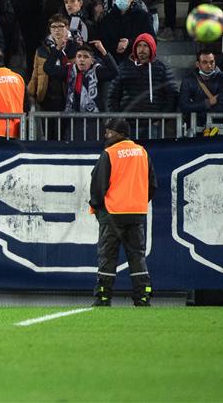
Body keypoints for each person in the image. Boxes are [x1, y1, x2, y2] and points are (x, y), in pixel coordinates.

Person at [89, 118, 156, 307]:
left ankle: (103, 297)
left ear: (120, 134)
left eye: (109, 131)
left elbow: (98, 185)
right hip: (136, 213)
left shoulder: (109, 153)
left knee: (107, 256)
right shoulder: (142, 152)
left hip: (112, 213)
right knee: (137, 256)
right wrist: (139, 201)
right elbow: (152, 184)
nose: (106, 135)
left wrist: (97, 207)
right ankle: (143, 296)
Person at [107, 33, 178, 122]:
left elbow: (172, 95)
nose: (142, 49)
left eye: (145, 46)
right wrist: (118, 118)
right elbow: (113, 96)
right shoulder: (124, 67)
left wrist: (161, 119)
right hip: (128, 125)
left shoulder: (162, 67)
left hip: (153, 124)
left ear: (152, 48)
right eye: (139, 46)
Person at [45, 40, 118, 114]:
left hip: (93, 119)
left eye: (86, 57)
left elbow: (115, 72)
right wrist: (57, 49)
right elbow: (48, 68)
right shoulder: (69, 70)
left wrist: (103, 51)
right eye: (79, 56)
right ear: (75, 60)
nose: (82, 59)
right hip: (72, 118)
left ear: (92, 60)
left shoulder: (97, 71)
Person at [98, 0, 154, 64]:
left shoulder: (143, 16)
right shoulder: (108, 18)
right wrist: (116, 46)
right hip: (115, 62)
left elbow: (151, 38)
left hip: (138, 61)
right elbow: (104, 41)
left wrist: (129, 43)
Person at [179, 48, 223, 131]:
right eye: (205, 62)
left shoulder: (222, 78)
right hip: (194, 128)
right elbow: (184, 106)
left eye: (212, 62)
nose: (209, 66)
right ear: (197, 64)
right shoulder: (188, 80)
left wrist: (197, 109)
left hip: (218, 128)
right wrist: (207, 103)